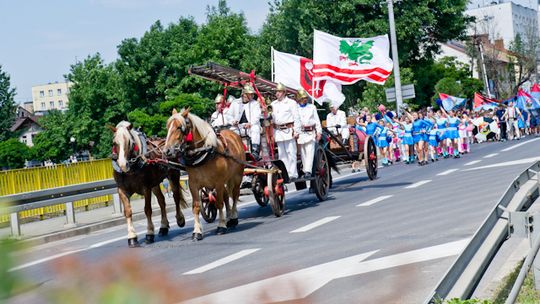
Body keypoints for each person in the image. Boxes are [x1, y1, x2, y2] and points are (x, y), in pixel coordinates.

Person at [271, 83, 301, 181]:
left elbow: (297, 118)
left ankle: (293, 173)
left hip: (288, 130)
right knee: (282, 154)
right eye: (276, 92)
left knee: (291, 152)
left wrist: (297, 131)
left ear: (284, 92)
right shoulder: (273, 104)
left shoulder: (291, 103)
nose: (277, 94)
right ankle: (285, 173)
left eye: (279, 92)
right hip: (278, 131)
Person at [295, 88, 322, 177]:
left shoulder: (312, 107)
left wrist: (319, 132)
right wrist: (296, 132)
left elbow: (317, 120)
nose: (305, 99)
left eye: (305, 98)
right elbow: (296, 121)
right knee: (303, 153)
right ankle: (305, 170)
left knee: (309, 152)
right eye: (303, 98)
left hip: (310, 132)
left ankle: (308, 171)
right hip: (301, 133)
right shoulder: (296, 109)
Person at [235, 84, 262, 158]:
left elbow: (257, 116)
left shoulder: (255, 104)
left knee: (255, 128)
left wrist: (250, 123)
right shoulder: (236, 103)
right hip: (239, 127)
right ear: (244, 94)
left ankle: (255, 152)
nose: (252, 96)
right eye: (250, 94)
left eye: (252, 94)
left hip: (250, 126)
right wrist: (233, 121)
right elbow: (229, 115)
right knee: (230, 131)